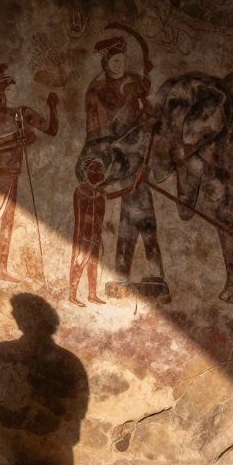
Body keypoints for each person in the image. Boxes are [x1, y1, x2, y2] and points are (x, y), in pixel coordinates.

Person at [85, 32, 165, 292]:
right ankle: (135, 274)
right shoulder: (96, 91)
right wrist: (99, 157)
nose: (119, 65)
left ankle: (141, 274)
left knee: (139, 215)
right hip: (114, 159)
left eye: (122, 60)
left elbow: (149, 115)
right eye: (114, 61)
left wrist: (150, 116)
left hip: (138, 156)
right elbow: (94, 132)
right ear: (105, 63)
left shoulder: (134, 83)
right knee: (136, 215)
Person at [0, 63, 58, 282]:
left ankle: (1, 268)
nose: (15, 93)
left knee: (8, 222)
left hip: (13, 173)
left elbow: (50, 129)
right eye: (10, 90)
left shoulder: (22, 113)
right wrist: (10, 140)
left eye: (15, 90)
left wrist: (52, 106)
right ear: (0, 93)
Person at [68, 158, 141, 306]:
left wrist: (135, 184)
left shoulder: (97, 191)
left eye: (100, 170)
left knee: (93, 263)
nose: (98, 173)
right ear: (86, 172)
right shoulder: (82, 190)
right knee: (79, 262)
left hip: (95, 233)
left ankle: (92, 294)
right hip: (84, 234)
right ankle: (72, 295)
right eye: (94, 170)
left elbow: (115, 194)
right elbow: (93, 198)